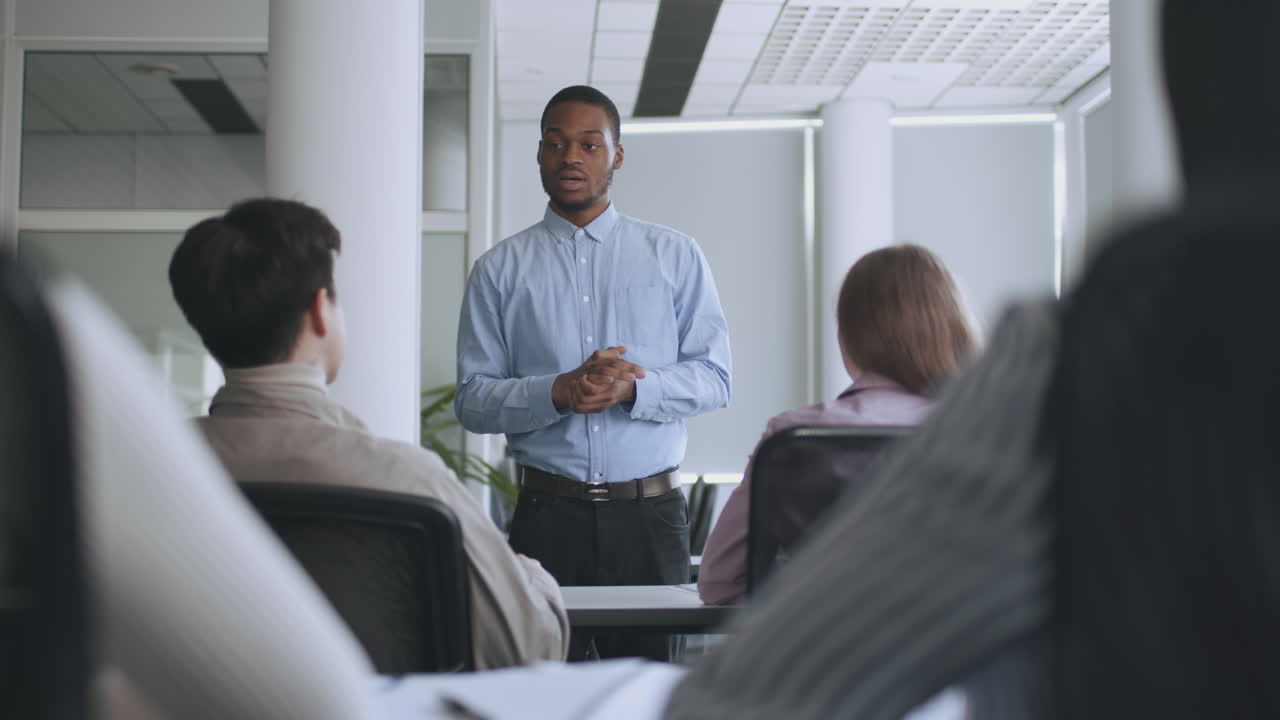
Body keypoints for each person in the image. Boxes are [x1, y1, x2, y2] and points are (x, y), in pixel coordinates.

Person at [168, 197, 569, 670]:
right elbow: (524, 650)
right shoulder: (404, 478)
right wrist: (532, 579)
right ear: (321, 310)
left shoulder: (146, 471)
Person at [454, 85, 732, 659]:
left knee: (651, 693)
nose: (570, 157)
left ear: (617, 155)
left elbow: (714, 378)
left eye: (588, 144)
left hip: (650, 518)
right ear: (539, 154)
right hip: (547, 519)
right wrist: (556, 391)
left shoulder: (674, 255)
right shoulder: (498, 270)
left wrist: (635, 388)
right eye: (556, 144)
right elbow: (473, 401)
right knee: (549, 693)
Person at [697, 244, 976, 605]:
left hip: (827, 645)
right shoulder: (986, 432)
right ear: (958, 331)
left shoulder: (795, 437)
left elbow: (722, 582)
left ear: (847, 339)